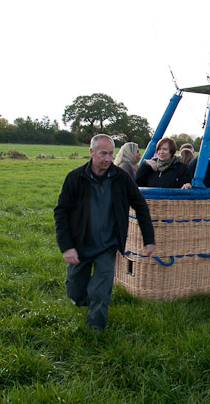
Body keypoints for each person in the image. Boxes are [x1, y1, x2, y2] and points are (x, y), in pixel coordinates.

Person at [54, 134, 155, 330]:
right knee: (75, 291)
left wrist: (148, 238)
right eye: (103, 154)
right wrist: (66, 247)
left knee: (101, 292)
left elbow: (140, 206)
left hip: (107, 245)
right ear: (91, 152)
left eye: (110, 154)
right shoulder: (75, 178)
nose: (107, 159)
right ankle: (84, 300)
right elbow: (61, 212)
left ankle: (95, 332)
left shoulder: (121, 178)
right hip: (80, 244)